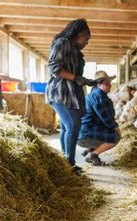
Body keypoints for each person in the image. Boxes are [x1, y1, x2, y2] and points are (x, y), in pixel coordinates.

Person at [45, 18, 97, 174]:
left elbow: (76, 74)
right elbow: (54, 68)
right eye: (85, 39)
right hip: (60, 91)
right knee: (73, 125)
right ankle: (70, 164)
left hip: (69, 93)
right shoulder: (62, 43)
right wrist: (76, 78)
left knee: (67, 126)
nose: (86, 42)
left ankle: (64, 161)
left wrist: (89, 81)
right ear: (79, 34)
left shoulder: (74, 49)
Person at [78, 71, 121, 166]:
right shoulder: (99, 97)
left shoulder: (94, 94)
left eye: (110, 83)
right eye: (106, 84)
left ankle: (90, 150)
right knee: (116, 136)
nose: (109, 86)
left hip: (82, 132)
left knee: (107, 131)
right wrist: (115, 127)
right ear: (98, 84)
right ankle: (92, 155)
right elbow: (106, 117)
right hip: (86, 134)